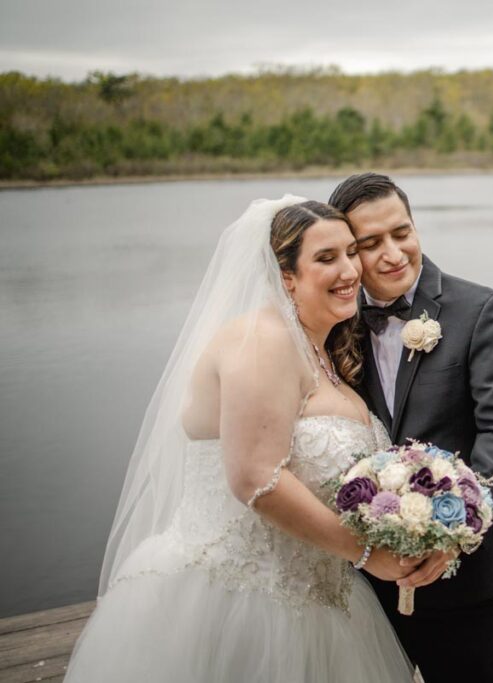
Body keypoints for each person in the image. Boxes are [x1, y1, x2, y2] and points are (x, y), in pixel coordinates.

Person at [64, 197, 414, 682]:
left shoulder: (323, 357)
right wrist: (367, 555)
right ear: (285, 275)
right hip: (238, 599)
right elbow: (257, 479)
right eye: (326, 257)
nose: (351, 269)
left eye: (351, 252)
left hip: (320, 600)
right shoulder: (261, 340)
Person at [328, 173, 493, 682]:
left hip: (464, 574)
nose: (393, 253)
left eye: (402, 232)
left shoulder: (481, 310)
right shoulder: (334, 321)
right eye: (370, 244)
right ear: (349, 253)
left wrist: (457, 533)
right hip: (366, 575)